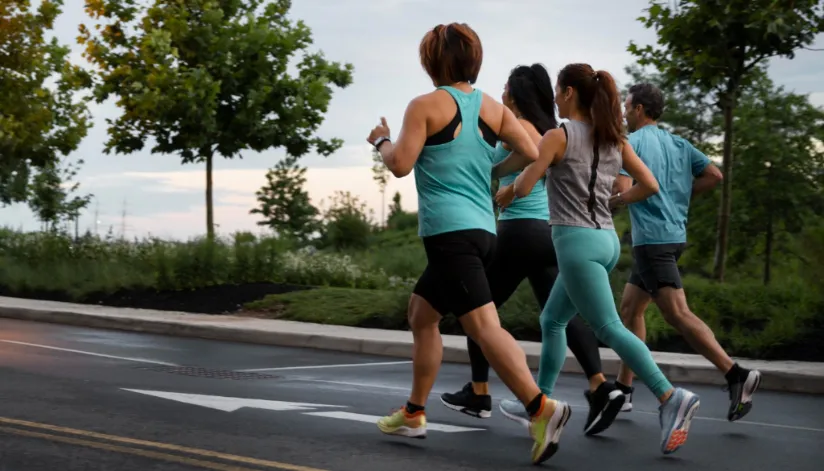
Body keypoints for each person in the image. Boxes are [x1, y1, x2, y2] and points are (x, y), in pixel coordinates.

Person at [366, 23, 571, 465]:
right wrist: (493, 173)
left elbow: (400, 164)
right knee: (422, 314)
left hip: (449, 234)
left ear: (431, 61)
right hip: (483, 230)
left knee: (482, 326)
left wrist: (381, 140)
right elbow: (535, 151)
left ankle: (541, 408)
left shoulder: (424, 106)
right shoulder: (493, 109)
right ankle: (415, 412)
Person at [500, 63, 701, 456]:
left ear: (570, 92)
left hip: (575, 243)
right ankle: (539, 402)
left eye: (558, 90)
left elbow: (526, 183)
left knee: (609, 327)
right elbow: (650, 185)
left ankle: (670, 397)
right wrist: (614, 201)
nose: (554, 97)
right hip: (606, 241)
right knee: (552, 319)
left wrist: (506, 193)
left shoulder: (559, 136)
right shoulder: (614, 138)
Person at [439, 63, 623, 437]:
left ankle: (479, 393)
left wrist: (493, 173)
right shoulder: (549, 129)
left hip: (519, 232)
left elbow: (514, 159)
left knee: (477, 310)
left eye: (506, 87)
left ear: (516, 93)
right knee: (560, 316)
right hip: (547, 235)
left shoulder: (521, 128)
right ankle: (599, 385)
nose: (502, 92)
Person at [612, 83, 762, 421]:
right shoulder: (678, 143)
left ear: (638, 110)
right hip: (674, 236)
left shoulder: (632, 144)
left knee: (677, 313)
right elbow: (714, 175)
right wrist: (679, 195)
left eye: (626, 107)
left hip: (652, 241)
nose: (623, 113)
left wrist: (610, 200)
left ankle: (735, 373)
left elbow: (621, 190)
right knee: (630, 308)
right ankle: (624, 389)